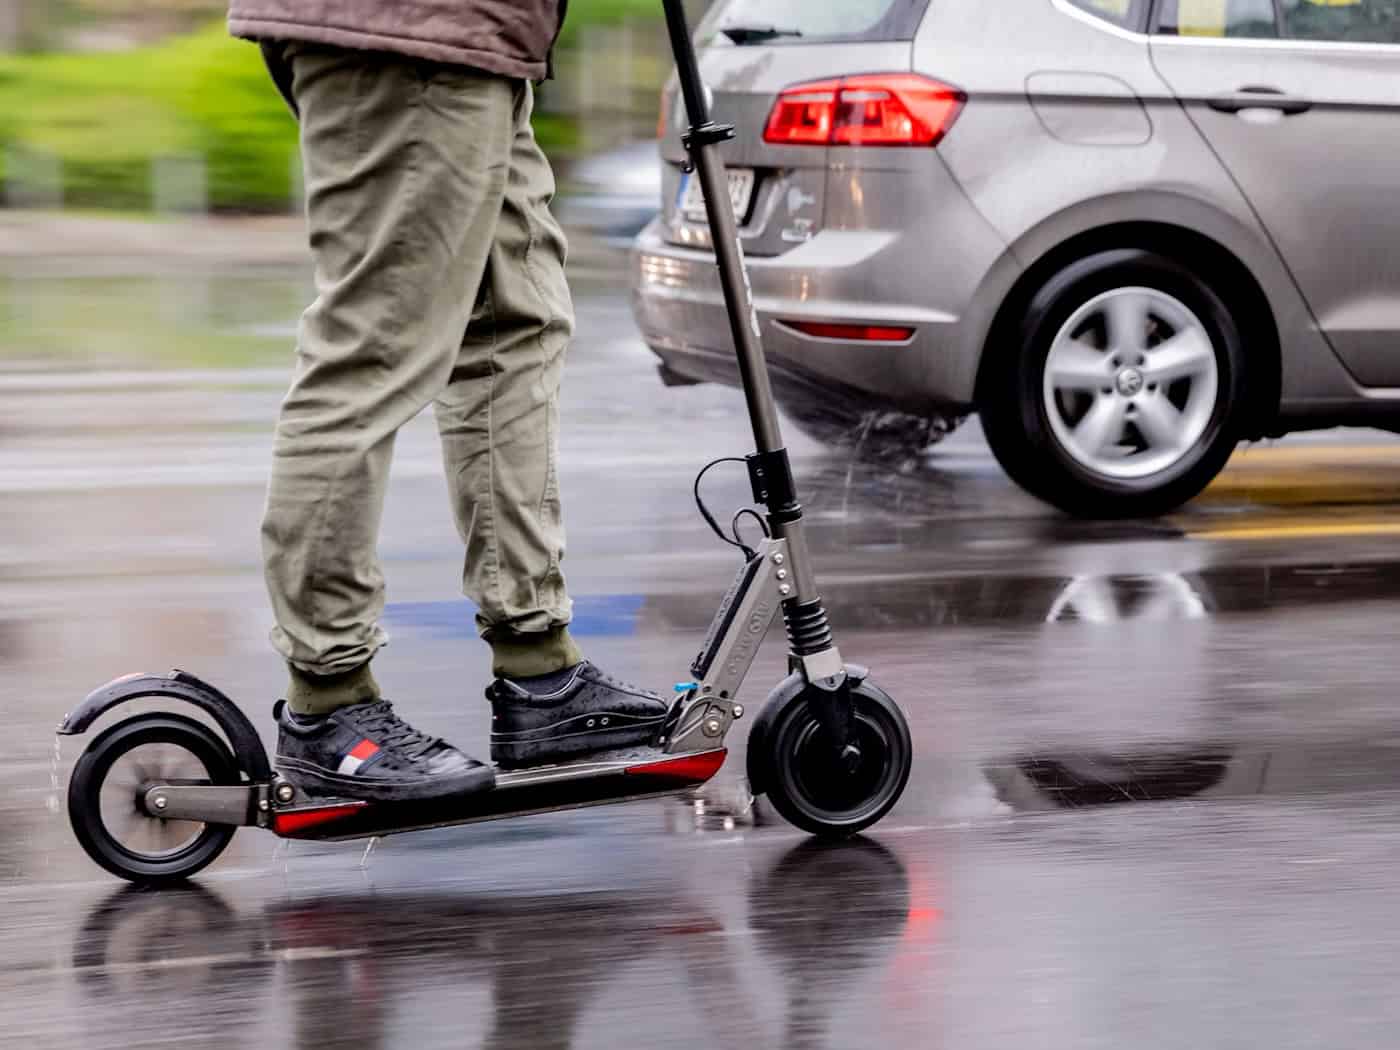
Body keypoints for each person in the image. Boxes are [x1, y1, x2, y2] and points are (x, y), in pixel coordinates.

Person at [226, 0, 668, 803]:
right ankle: (329, 703)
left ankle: (540, 673)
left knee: (514, 328)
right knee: (373, 349)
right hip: (409, 28)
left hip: (485, 36)